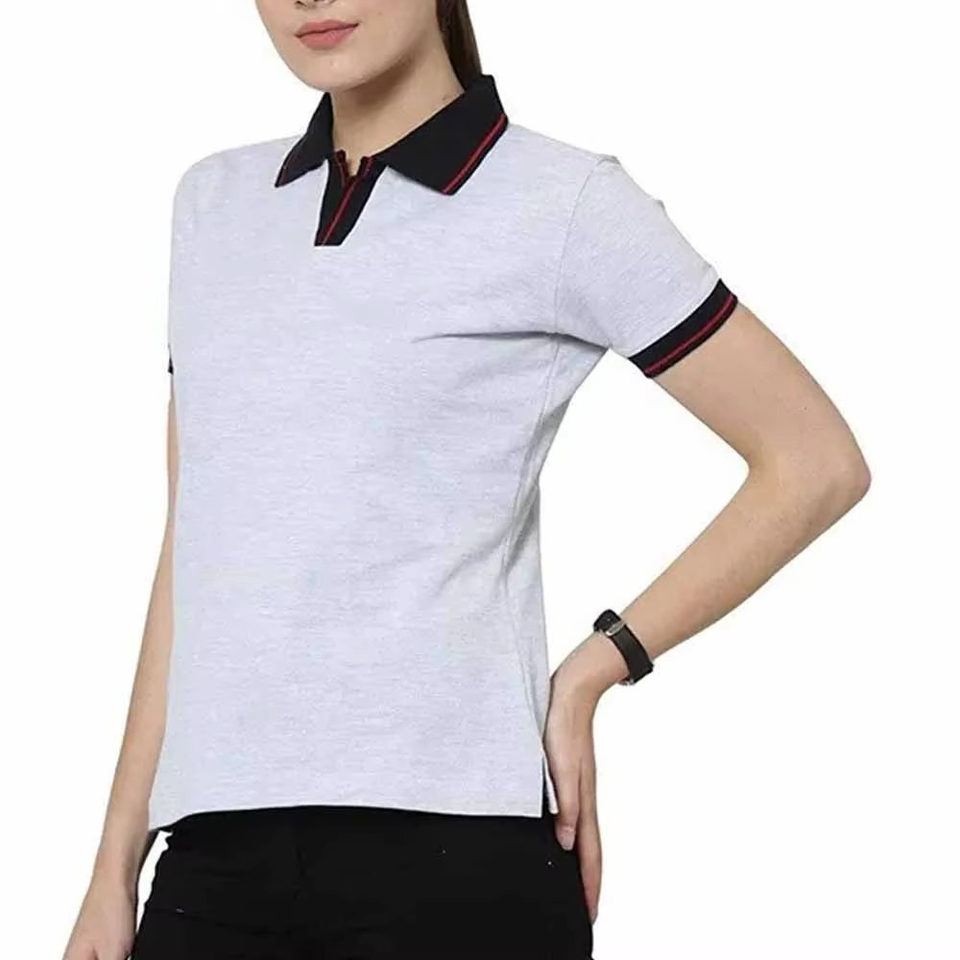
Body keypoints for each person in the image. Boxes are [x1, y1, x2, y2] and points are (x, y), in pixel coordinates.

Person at [63, 1, 871, 958]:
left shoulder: (564, 202)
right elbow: (193, 547)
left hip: (456, 866)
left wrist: (597, 666)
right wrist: (112, 867)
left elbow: (814, 463)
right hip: (212, 868)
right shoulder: (215, 205)